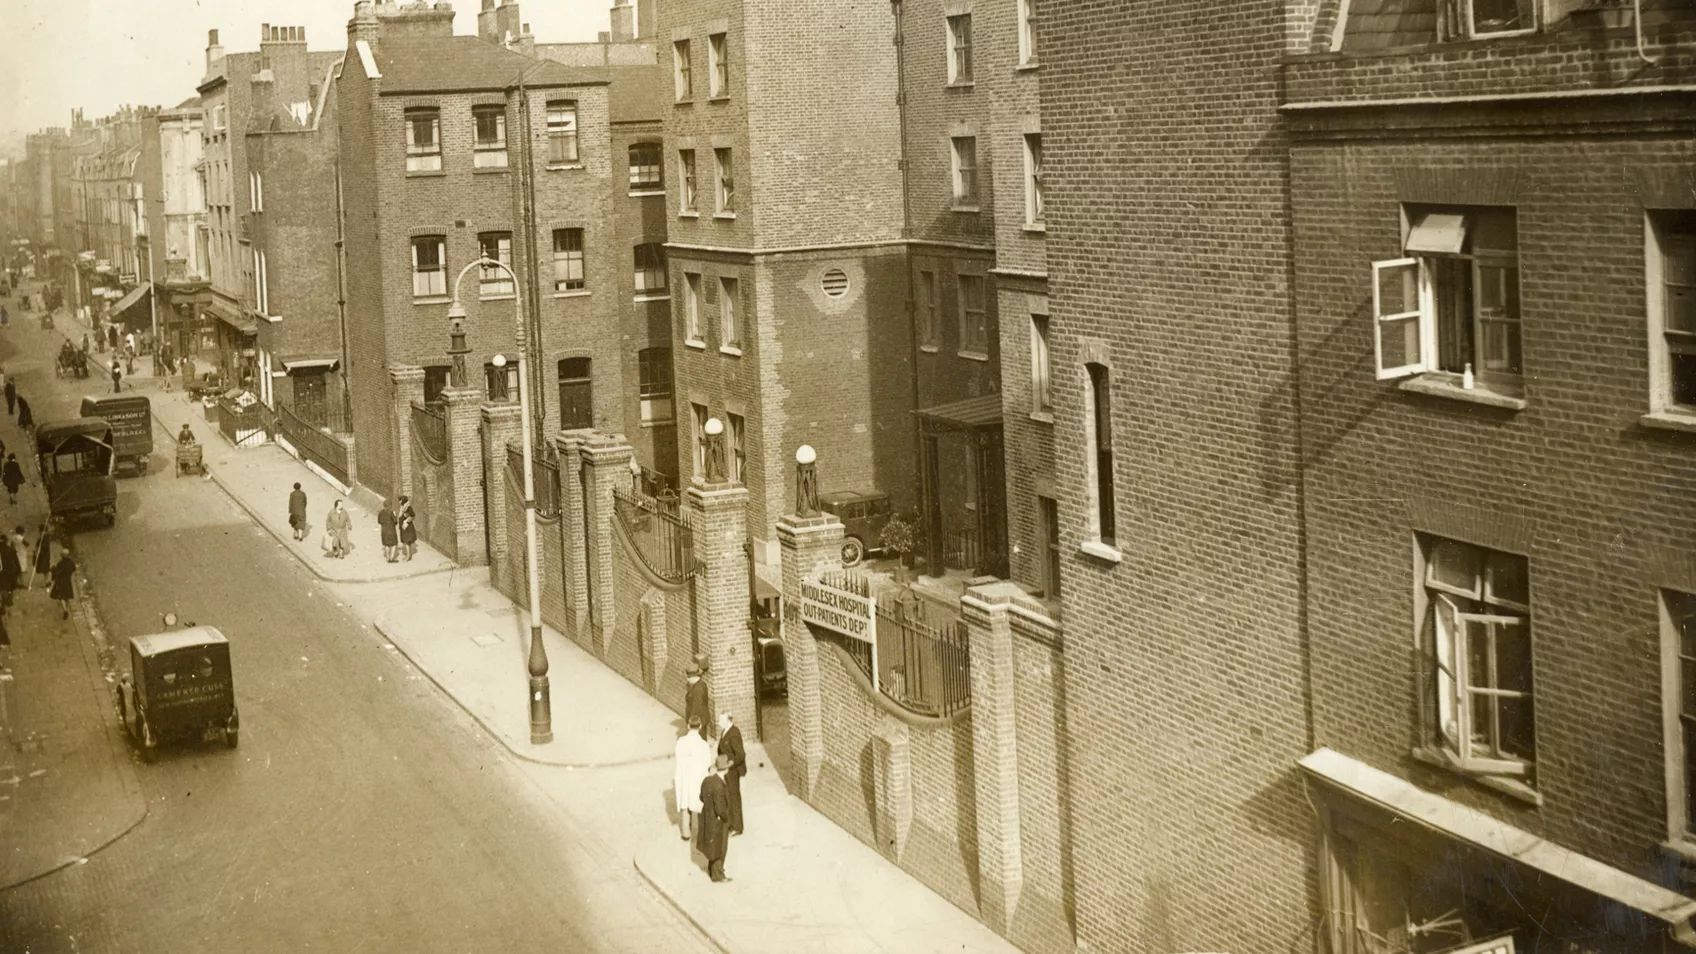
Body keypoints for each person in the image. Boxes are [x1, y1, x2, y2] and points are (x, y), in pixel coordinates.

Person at [673, 716, 714, 841]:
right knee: (699, 803)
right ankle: (701, 833)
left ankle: (686, 832)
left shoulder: (681, 742)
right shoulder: (703, 745)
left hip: (685, 777)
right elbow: (708, 763)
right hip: (698, 778)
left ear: (688, 726)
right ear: (700, 727)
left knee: (685, 802)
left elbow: (678, 757)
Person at [699, 754, 733, 882]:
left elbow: (701, 797)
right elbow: (720, 808)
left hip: (708, 818)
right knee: (720, 846)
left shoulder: (707, 780)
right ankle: (718, 875)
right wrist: (727, 818)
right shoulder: (719, 785)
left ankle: (712, 869)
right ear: (726, 769)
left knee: (712, 845)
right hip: (718, 821)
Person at [716, 712, 747, 836]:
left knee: (733, 797)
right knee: (728, 796)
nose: (718, 723)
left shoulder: (734, 733)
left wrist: (728, 765)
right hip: (725, 770)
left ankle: (737, 826)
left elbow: (740, 754)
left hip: (732, 771)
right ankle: (730, 824)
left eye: (720, 720)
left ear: (728, 720)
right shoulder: (725, 731)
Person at [685, 663, 712, 737]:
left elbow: (696, 708)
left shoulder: (698, 689)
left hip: (698, 722)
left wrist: (691, 723)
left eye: (689, 677)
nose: (687, 679)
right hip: (699, 720)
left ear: (694, 677)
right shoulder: (697, 685)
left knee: (699, 740)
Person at [50, 549, 76, 619]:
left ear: (62, 555)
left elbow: (57, 572)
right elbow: (74, 569)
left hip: (61, 581)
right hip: (68, 581)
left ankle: (65, 610)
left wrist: (53, 569)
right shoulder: (71, 562)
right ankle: (66, 608)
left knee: (61, 596)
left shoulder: (60, 563)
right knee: (67, 596)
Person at [378, 499, 399, 563]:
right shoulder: (391, 512)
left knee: (386, 545)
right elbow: (395, 521)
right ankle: (392, 558)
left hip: (384, 531)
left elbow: (379, 521)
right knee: (394, 544)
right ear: (390, 506)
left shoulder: (381, 512)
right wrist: (395, 516)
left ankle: (387, 558)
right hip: (391, 530)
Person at [397, 495, 417, 561]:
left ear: (402, 501)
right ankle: (409, 555)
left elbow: (413, 515)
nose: (399, 501)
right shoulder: (403, 507)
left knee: (407, 542)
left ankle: (408, 556)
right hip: (403, 527)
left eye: (400, 500)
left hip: (407, 527)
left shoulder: (408, 507)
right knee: (406, 542)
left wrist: (406, 521)